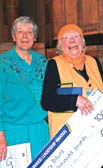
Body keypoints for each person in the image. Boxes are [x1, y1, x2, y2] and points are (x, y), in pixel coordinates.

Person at [41, 24, 103, 167]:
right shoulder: (54, 64)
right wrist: (74, 100)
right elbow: (47, 101)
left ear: (82, 42)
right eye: (66, 37)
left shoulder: (93, 61)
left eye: (76, 36)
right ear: (60, 45)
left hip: (96, 134)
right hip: (71, 141)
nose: (71, 40)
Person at [0, 16, 49, 161]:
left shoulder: (42, 61)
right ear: (13, 36)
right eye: (20, 32)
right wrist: (0, 135)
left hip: (41, 131)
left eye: (29, 32)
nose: (25, 36)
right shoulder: (3, 62)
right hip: (14, 132)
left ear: (35, 37)